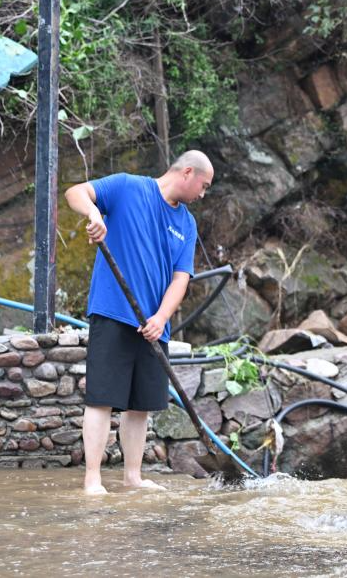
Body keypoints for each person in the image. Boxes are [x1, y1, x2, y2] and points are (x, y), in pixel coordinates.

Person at [64, 150, 214, 495]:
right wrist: (93, 214)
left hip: (154, 327)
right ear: (187, 173)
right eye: (203, 185)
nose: (203, 194)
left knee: (140, 406)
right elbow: (76, 192)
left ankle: (132, 477)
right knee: (101, 399)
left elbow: (180, 278)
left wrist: (161, 318)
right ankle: (92, 479)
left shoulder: (187, 224)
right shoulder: (127, 187)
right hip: (113, 312)